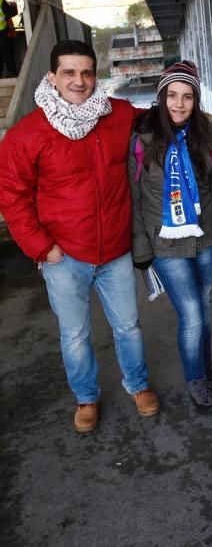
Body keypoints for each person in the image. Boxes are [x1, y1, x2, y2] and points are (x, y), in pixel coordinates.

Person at [0, 40, 159, 432]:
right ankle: (86, 398)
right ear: (52, 77)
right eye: (69, 72)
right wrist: (42, 249)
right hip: (64, 256)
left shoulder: (118, 115)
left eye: (87, 72)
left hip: (116, 251)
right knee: (74, 335)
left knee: (129, 326)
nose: (80, 80)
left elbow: (165, 124)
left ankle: (138, 385)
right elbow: (13, 197)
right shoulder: (27, 134)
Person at [128, 60, 212, 415]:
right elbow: (133, 198)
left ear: (196, 100)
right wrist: (141, 248)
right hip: (165, 244)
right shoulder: (142, 140)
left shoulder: (207, 138)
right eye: (172, 95)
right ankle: (195, 379)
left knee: (204, 308)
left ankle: (204, 368)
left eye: (187, 96)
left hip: (205, 240)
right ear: (161, 97)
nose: (179, 104)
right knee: (190, 314)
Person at [0, 0, 18, 77]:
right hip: (2, 31)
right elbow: (9, 12)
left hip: (2, 30)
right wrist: (14, 6)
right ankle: (10, 72)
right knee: (7, 51)